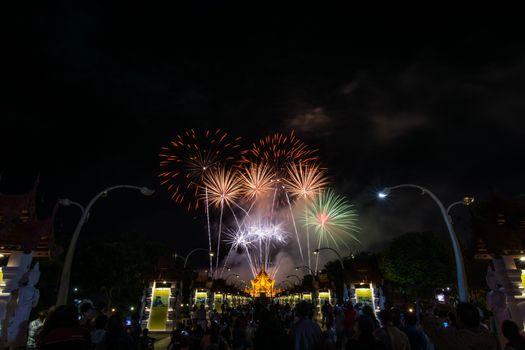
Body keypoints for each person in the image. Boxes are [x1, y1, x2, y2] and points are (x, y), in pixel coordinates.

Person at [424, 302, 497, 350]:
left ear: (458, 319)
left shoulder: (456, 339)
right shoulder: (489, 337)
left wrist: (431, 311)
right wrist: (453, 310)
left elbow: (430, 328)